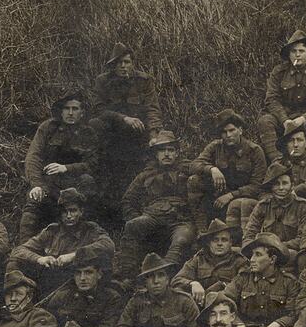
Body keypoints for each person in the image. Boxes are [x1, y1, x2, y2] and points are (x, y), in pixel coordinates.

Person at [19, 91, 100, 241]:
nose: (70, 113)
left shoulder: (88, 133)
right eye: (66, 108)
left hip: (76, 182)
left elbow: (93, 164)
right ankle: (23, 248)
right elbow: (34, 157)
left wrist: (67, 168)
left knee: (88, 185)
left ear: (82, 112)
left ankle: (85, 240)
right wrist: (36, 184)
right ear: (61, 111)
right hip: (49, 182)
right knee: (33, 202)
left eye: (75, 109)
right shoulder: (48, 128)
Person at [116, 131, 197, 279]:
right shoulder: (146, 174)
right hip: (153, 216)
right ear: (156, 154)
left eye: (171, 150)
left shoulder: (189, 169)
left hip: (181, 219)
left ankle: (165, 277)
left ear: (177, 153)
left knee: (181, 239)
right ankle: (127, 277)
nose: (166, 154)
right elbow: (128, 200)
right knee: (133, 225)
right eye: (162, 150)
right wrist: (137, 217)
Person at [7, 189, 114, 294]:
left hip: (76, 282)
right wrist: (40, 259)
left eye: (73, 210)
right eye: (64, 212)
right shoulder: (52, 231)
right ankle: (14, 297)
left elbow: (108, 245)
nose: (68, 216)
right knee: (14, 263)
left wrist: (74, 256)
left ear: (81, 211)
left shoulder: (90, 230)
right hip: (51, 281)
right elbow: (18, 251)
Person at [90, 47, 163, 190]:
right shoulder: (103, 81)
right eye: (119, 63)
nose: (123, 66)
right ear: (113, 65)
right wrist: (123, 118)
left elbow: (152, 109)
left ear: (133, 63)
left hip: (137, 132)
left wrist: (154, 135)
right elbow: (99, 110)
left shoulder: (144, 81)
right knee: (94, 124)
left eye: (127, 62)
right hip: (111, 132)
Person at [258, 30, 306, 163]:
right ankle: (278, 164)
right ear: (289, 54)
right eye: (293, 51)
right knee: (265, 121)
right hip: (285, 121)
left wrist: (305, 118)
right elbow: (271, 99)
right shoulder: (278, 72)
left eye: (301, 51)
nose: (297, 55)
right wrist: (284, 120)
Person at [225, 235, 305, 327]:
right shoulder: (242, 279)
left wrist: (278, 324)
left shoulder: (289, 282)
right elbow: (226, 301)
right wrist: (239, 324)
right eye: (252, 255)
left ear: (272, 259)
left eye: (258, 255)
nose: (251, 259)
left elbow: (293, 312)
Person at [188, 109, 268, 226]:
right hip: (218, 196)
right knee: (194, 180)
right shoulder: (216, 146)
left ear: (240, 130)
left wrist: (231, 195)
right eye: (224, 132)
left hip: (243, 196)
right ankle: (201, 229)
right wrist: (212, 169)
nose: (228, 135)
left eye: (232, 130)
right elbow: (194, 165)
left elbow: (257, 185)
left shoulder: (254, 151)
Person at [40, 246, 124, 327]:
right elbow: (48, 322)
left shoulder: (111, 298)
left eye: (88, 272)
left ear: (99, 274)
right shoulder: (62, 296)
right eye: (78, 273)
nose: (82, 278)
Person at [240, 164, 306, 260]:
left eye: (285, 183)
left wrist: (277, 246)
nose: (281, 188)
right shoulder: (263, 206)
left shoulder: (303, 206)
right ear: (271, 187)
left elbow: (303, 238)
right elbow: (249, 234)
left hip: (289, 252)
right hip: (265, 253)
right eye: (276, 184)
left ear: (292, 186)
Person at [172, 219, 245, 308]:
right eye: (215, 240)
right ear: (209, 243)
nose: (220, 244)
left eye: (224, 240)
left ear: (231, 243)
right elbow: (177, 280)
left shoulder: (239, 260)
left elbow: (242, 284)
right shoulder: (199, 259)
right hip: (200, 307)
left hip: (228, 306)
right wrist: (193, 283)